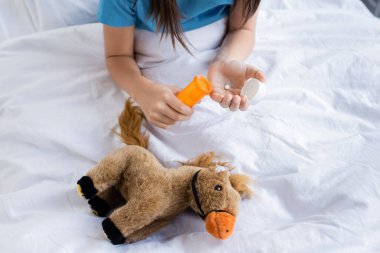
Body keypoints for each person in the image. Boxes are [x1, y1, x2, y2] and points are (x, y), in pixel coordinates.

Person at [98, 0, 266, 129]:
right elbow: (117, 56)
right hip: (150, 77)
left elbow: (243, 29)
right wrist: (142, 91)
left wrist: (226, 60)